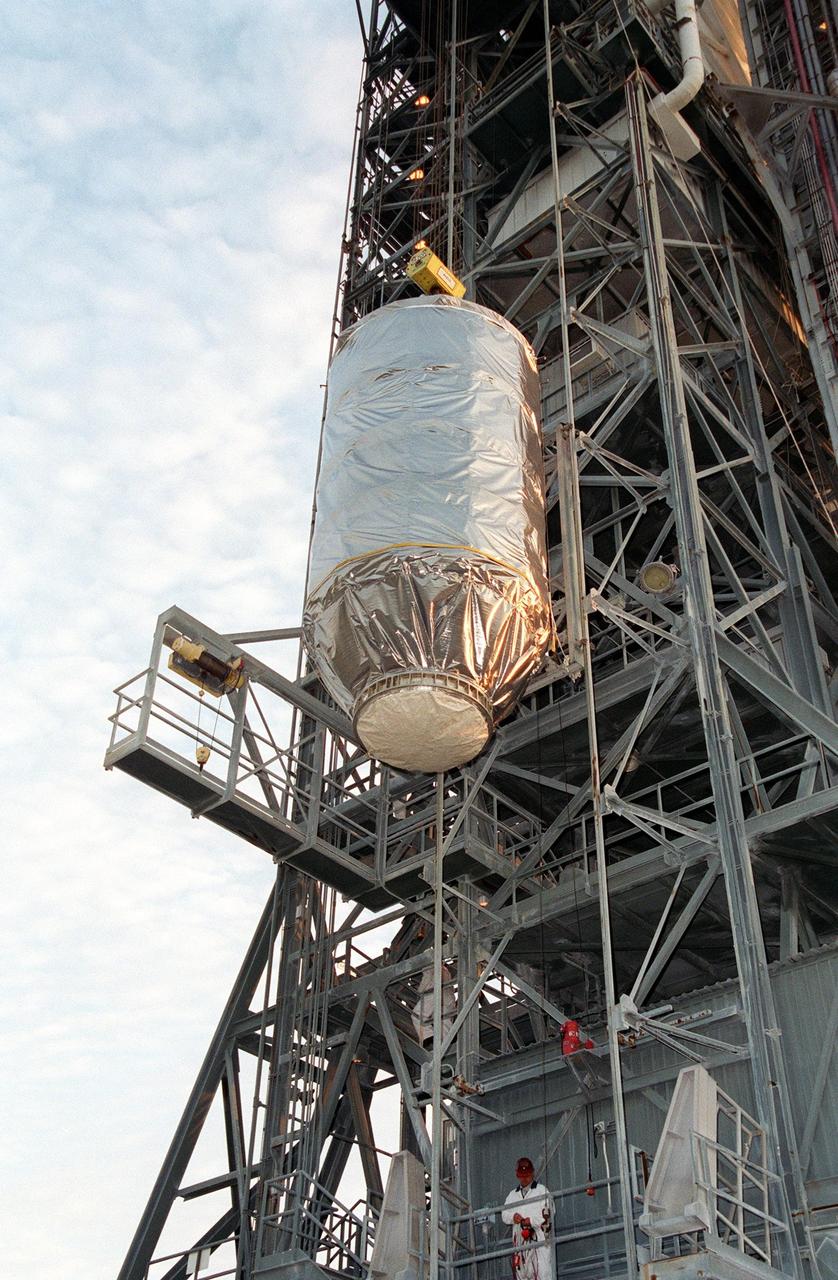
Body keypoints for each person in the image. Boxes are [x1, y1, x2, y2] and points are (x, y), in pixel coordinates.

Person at [501, 1157, 555, 1280]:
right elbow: (504, 1214)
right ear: (517, 1175)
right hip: (520, 1242)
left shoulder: (542, 1191)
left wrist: (530, 1221)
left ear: (532, 1173)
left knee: (543, 1273)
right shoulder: (512, 1195)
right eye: (522, 1175)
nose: (524, 1178)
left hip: (539, 1241)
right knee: (522, 1274)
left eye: (527, 1175)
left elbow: (549, 1213)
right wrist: (513, 1217)